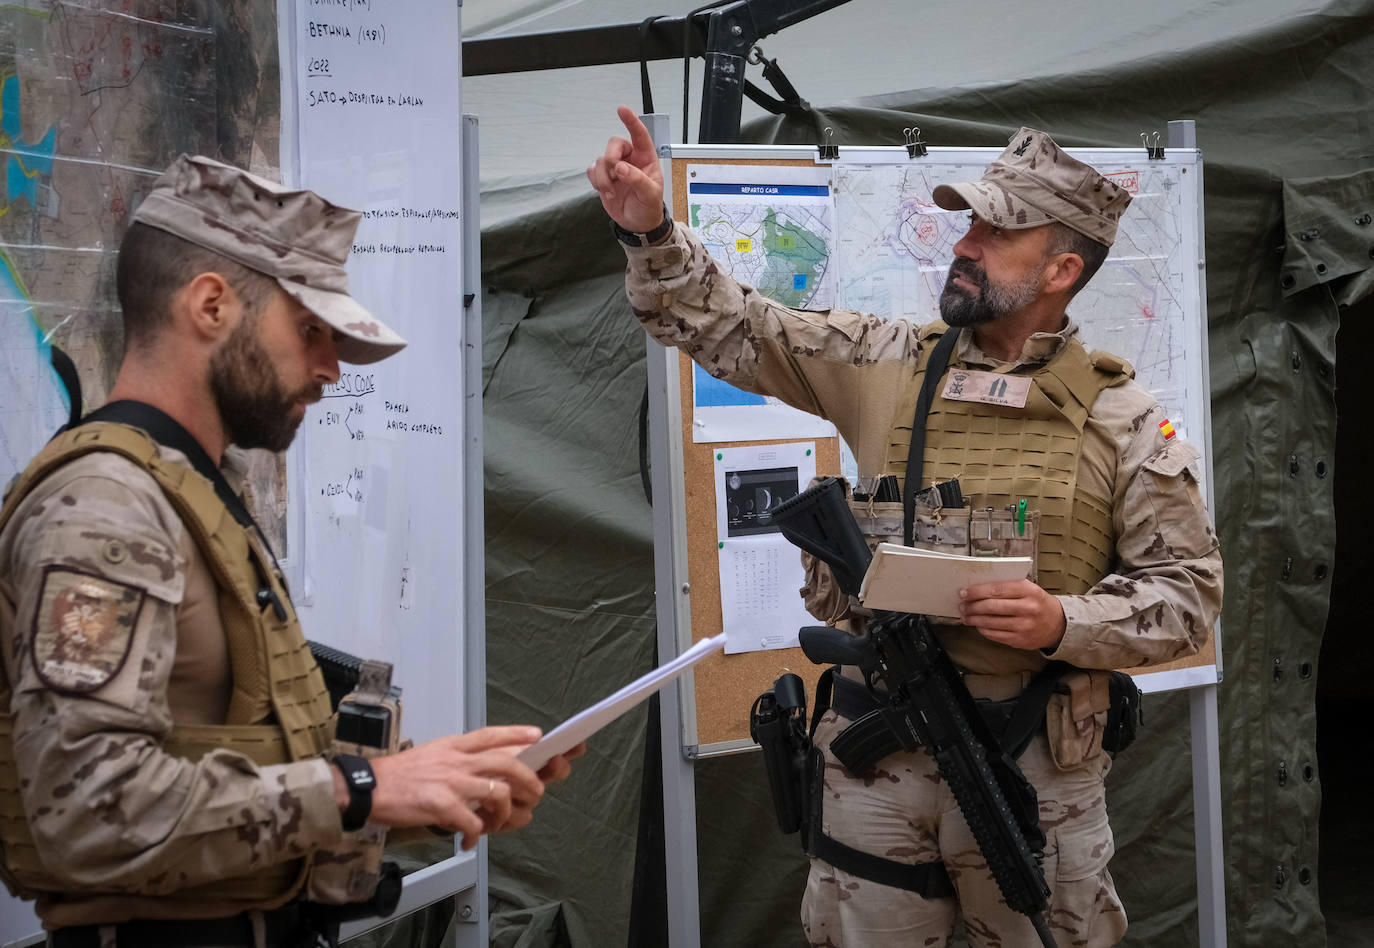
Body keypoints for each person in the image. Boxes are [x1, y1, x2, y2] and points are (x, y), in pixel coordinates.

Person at [589, 108, 1222, 947]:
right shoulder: (887, 361)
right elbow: (737, 328)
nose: (966, 242)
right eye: (970, 221)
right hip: (876, 764)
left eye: (1000, 232)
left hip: (1032, 775)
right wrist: (652, 231)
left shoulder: (1125, 421)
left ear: (1063, 267)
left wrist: (1062, 622)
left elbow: (1189, 596)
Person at [0, 155, 579, 947]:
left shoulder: (190, 494)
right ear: (210, 306)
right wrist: (365, 787)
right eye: (309, 329)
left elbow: (236, 764)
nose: (330, 369)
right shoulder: (106, 511)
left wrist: (431, 785)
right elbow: (84, 810)